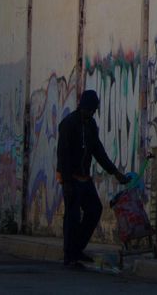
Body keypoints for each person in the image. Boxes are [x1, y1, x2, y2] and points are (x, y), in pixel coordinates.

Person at [56, 89, 127, 269]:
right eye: (90, 110)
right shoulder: (68, 124)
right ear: (83, 107)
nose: (92, 113)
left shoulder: (90, 125)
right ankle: (69, 256)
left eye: (94, 110)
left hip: (84, 178)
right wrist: (66, 182)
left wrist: (114, 172)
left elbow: (98, 151)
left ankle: (77, 248)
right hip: (70, 177)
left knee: (94, 209)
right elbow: (62, 155)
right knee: (72, 216)